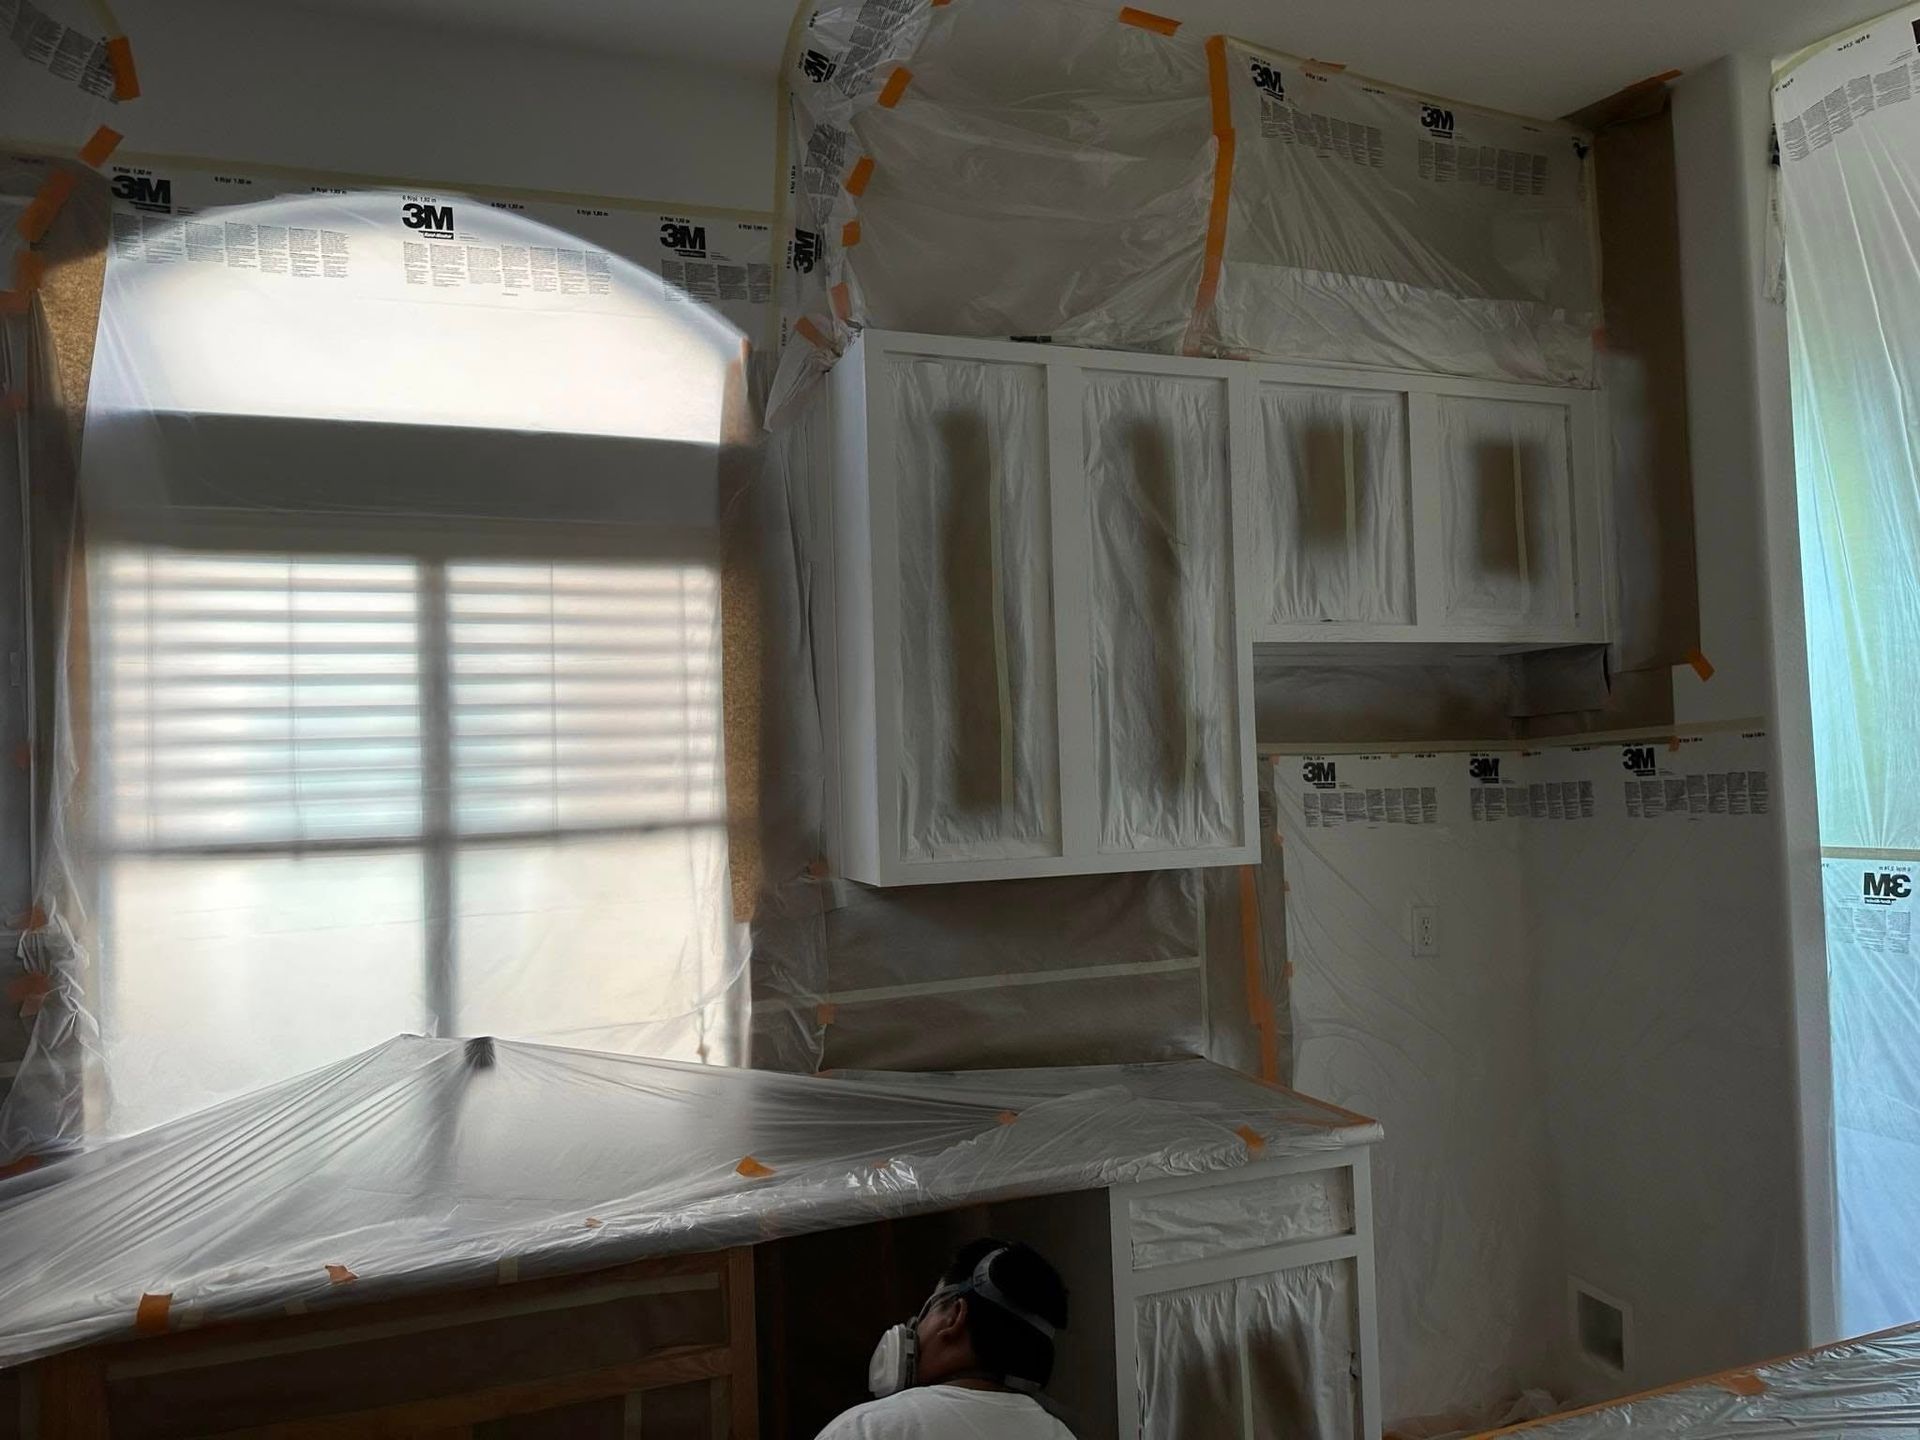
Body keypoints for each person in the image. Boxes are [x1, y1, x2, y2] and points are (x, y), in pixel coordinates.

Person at [815, 1237, 1077, 1439]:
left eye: (927, 1311)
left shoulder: (866, 1429)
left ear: (954, 1316)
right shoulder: (1060, 1434)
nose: (915, 1328)